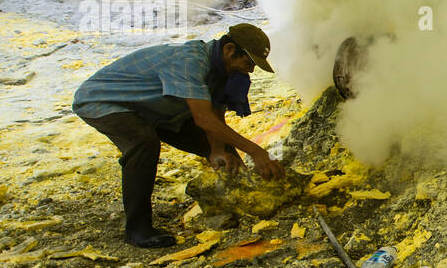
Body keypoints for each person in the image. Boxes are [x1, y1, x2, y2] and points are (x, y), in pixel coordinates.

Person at [72, 23, 286, 248]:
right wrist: (255, 150)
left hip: (154, 109)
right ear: (230, 50)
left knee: (225, 150)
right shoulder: (190, 61)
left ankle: (244, 202)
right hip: (104, 101)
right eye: (249, 62)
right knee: (143, 142)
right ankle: (137, 230)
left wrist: (216, 150)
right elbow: (203, 119)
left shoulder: (223, 71)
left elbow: (215, 114)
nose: (250, 70)